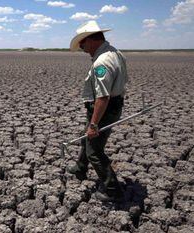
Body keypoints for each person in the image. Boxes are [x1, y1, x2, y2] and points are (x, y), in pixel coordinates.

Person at [67, 20, 128, 202]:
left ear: (92, 40)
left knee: (94, 150)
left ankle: (112, 190)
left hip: (104, 110)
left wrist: (94, 123)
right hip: (110, 107)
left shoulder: (102, 62)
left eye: (83, 44)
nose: (83, 49)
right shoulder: (115, 53)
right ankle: (80, 167)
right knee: (86, 137)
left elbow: (103, 97)